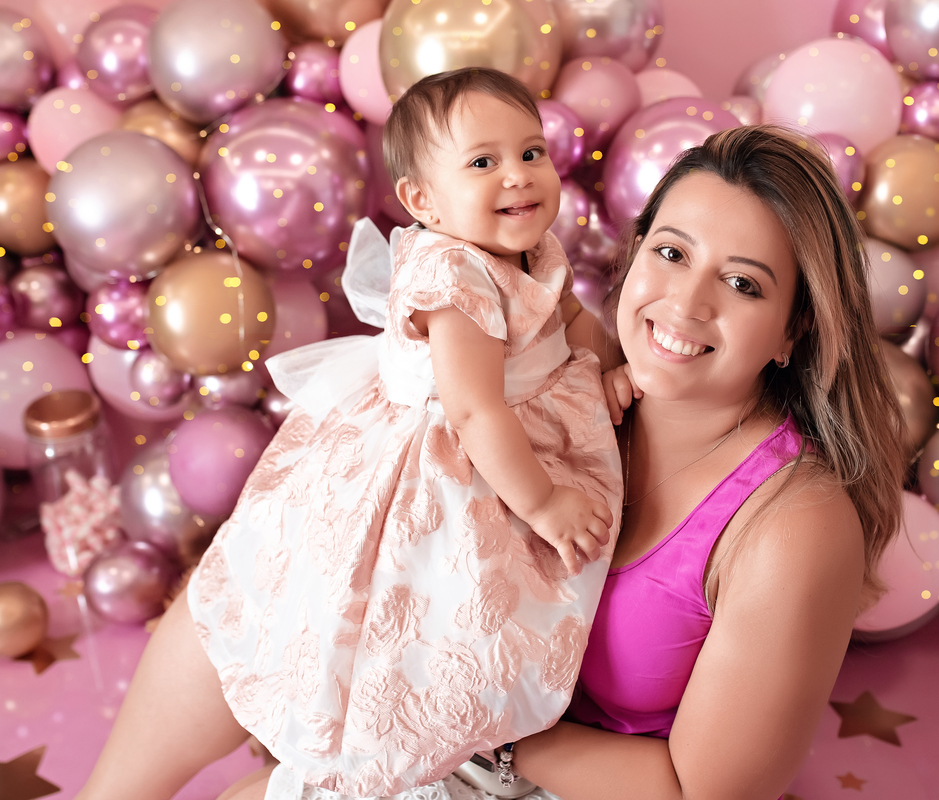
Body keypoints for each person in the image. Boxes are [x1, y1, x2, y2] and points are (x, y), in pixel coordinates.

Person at [212, 125, 908, 800]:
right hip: (455, 745)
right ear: (633, 255)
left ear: (793, 331)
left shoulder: (794, 525)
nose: (686, 303)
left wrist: (475, 727)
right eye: (671, 253)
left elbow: (704, 791)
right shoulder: (549, 393)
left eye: (744, 284)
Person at [78, 67, 628, 800]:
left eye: (532, 153)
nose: (518, 176)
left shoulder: (535, 249)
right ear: (423, 202)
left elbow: (571, 321)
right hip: (462, 459)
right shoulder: (455, 278)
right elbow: (475, 412)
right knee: (426, 585)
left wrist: (603, 370)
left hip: (516, 431)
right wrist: (546, 503)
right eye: (483, 162)